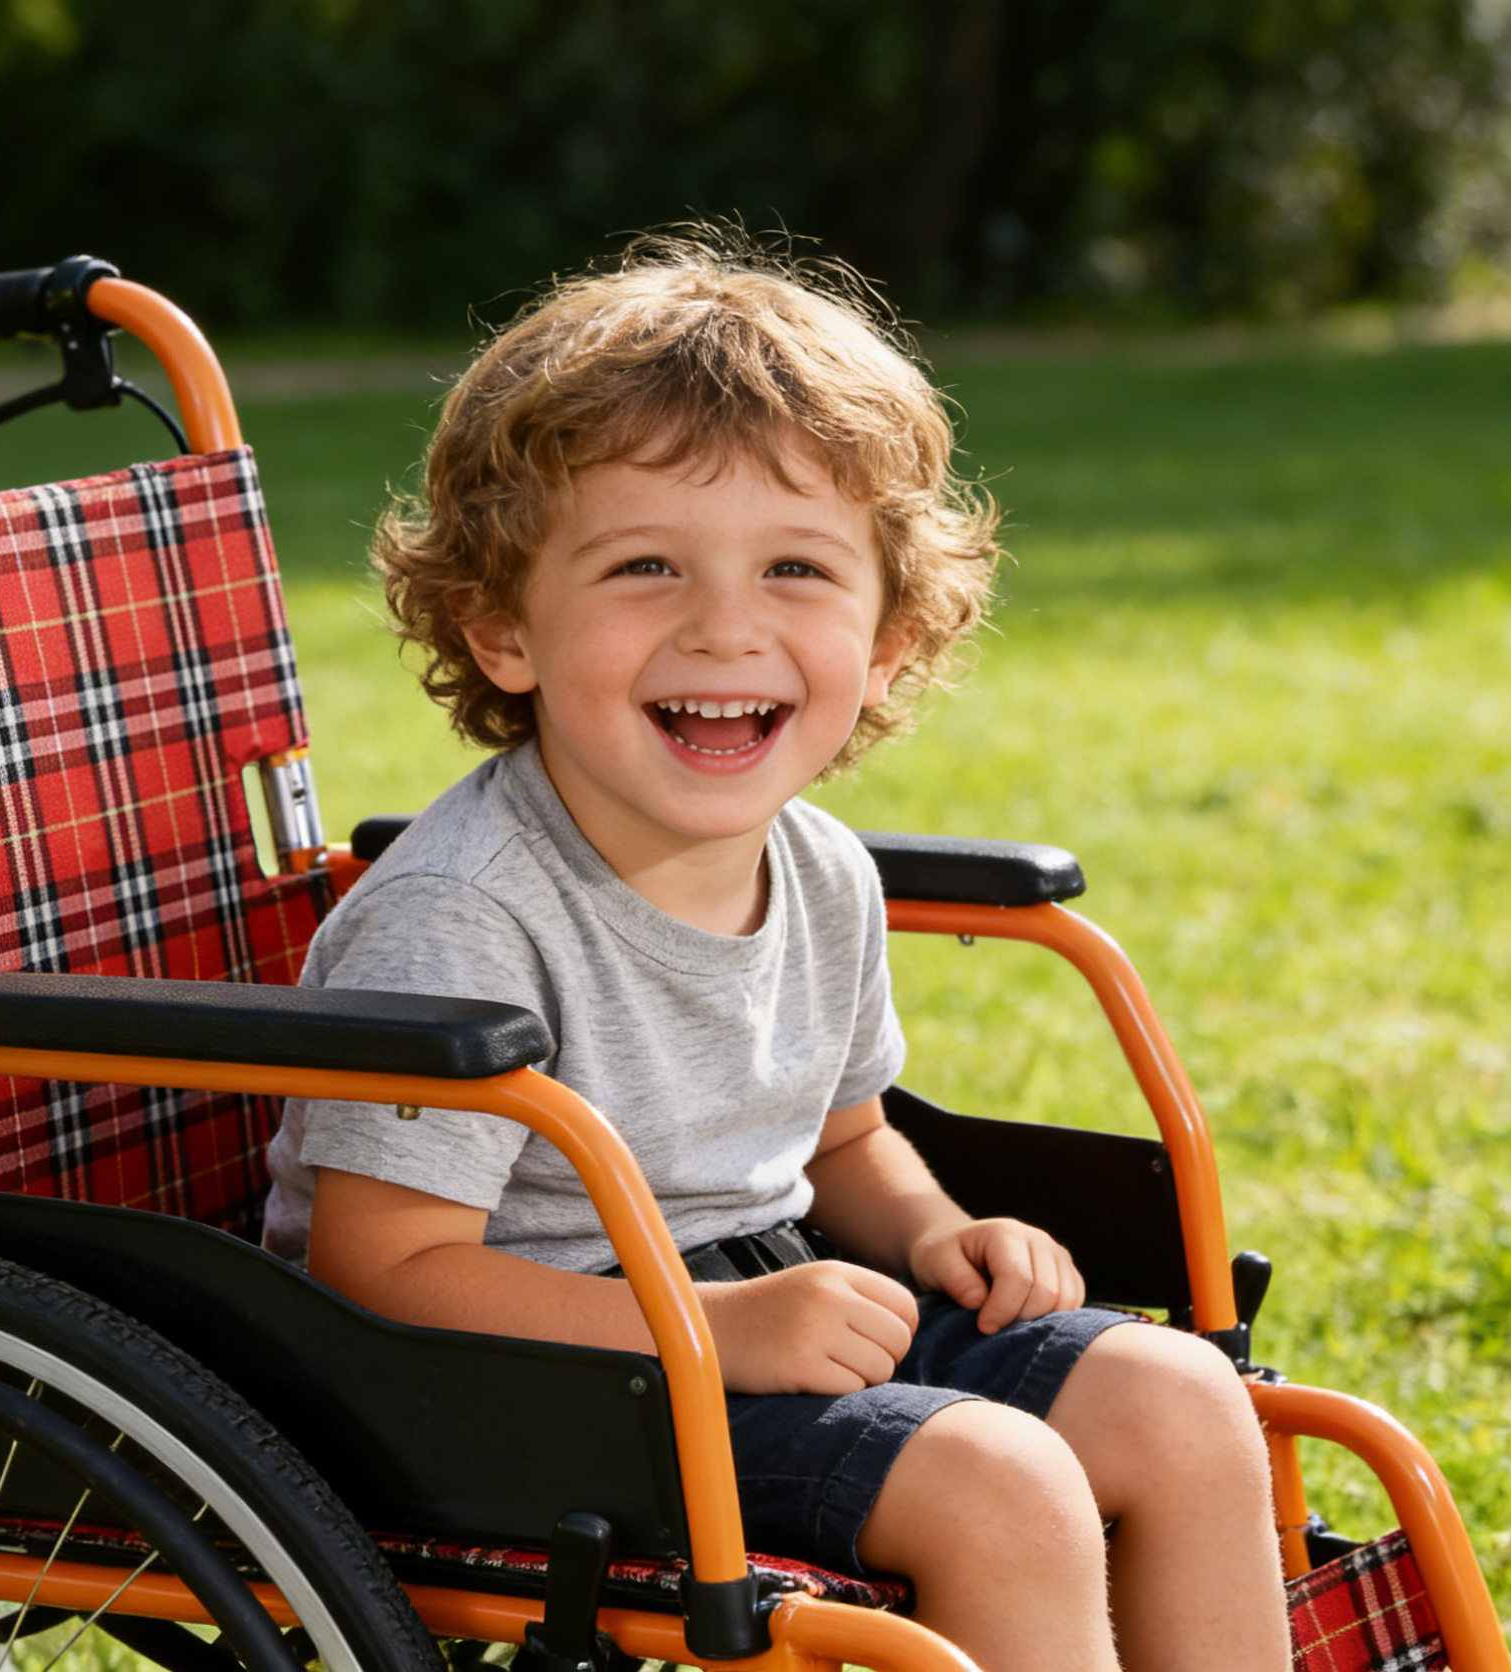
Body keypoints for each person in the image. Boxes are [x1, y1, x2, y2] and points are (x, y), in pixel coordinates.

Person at [263, 231, 1291, 1672]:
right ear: (503, 631)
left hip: (765, 1301)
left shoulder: (821, 870)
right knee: (1000, 1487)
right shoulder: (461, 919)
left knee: (1181, 1399)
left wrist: (934, 1234)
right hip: (523, 1387)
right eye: (645, 566)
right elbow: (385, 1273)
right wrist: (718, 1327)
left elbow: (846, 1137)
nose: (725, 628)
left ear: (888, 640)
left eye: (797, 569)